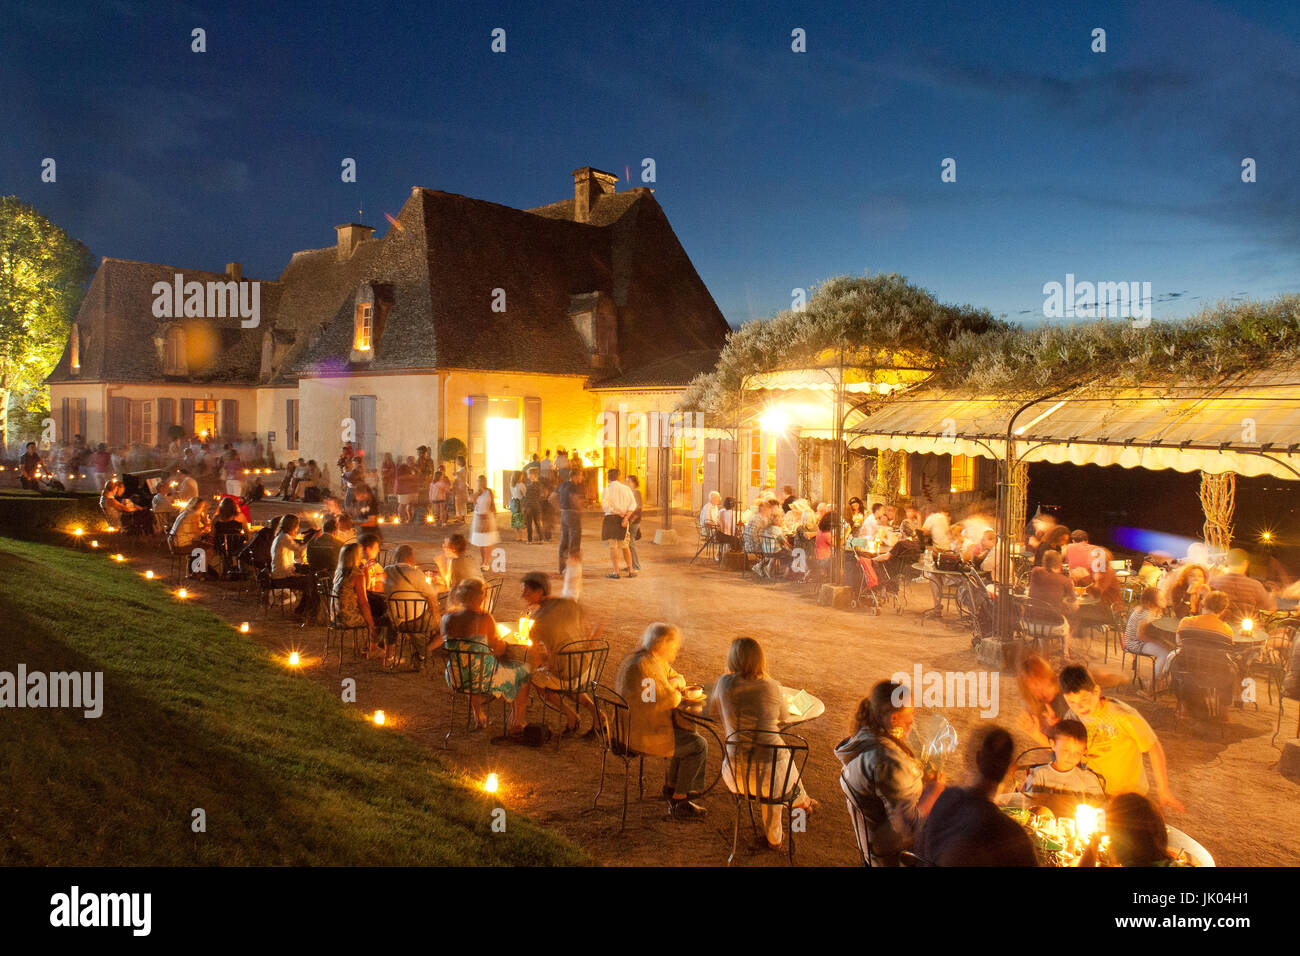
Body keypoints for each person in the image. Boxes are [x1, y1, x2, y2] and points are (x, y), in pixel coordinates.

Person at [709, 637, 816, 849]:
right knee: (780, 757)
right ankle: (778, 833)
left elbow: (712, 712)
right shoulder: (771, 686)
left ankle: (802, 801)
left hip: (735, 774)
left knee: (779, 759)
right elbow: (784, 716)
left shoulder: (723, 683)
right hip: (771, 780)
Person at [835, 681, 944, 866]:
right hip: (895, 855)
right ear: (894, 718)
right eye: (910, 712)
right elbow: (908, 826)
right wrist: (934, 790)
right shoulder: (887, 762)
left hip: (873, 844)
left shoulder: (865, 738)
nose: (913, 717)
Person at [615, 622, 708, 819]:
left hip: (629, 726)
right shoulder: (646, 668)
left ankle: (672, 787)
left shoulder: (646, 658)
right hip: (640, 735)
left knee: (689, 733)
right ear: (661, 645)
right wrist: (673, 687)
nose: (676, 652)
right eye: (674, 647)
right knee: (698, 744)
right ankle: (680, 800)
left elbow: (677, 677)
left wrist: (671, 683)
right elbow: (670, 699)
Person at [1059, 665, 1184, 812]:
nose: (1079, 707)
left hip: (1130, 796)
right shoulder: (1072, 718)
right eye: (1072, 702)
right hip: (1094, 795)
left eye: (1084, 699)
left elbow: (1153, 747)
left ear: (1097, 691)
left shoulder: (1122, 715)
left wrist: (1163, 789)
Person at [916, 726, 1037, 867]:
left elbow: (921, 847)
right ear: (1011, 769)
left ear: (978, 758)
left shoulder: (945, 798)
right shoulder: (1012, 835)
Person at [438, 578, 530, 731]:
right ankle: (518, 721)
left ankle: (478, 714)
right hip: (480, 677)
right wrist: (505, 645)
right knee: (523, 673)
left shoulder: (447, 618)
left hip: (456, 675)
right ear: (480, 597)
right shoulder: (484, 618)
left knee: (470, 663)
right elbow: (498, 649)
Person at [522, 572, 601, 733]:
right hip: (587, 667)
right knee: (569, 680)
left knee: (537, 680)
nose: (523, 595)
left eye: (527, 591)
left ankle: (571, 715)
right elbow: (593, 629)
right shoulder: (569, 603)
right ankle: (598, 714)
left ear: (539, 592)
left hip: (567, 673)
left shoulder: (538, 620)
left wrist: (542, 663)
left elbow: (537, 658)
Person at [1021, 719, 1106, 806]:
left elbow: (1101, 809)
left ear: (1084, 751)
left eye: (1077, 752)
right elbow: (1027, 805)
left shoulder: (1089, 779)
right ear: (1053, 745)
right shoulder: (1039, 774)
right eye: (1066, 750)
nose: (1071, 757)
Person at [383, 544, 441, 671]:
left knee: (393, 615)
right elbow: (431, 595)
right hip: (416, 621)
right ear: (410, 557)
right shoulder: (415, 572)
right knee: (445, 627)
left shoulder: (386, 570)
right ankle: (423, 653)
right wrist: (437, 617)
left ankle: (388, 657)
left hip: (395, 620)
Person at [1027, 550, 1077, 655]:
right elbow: (1074, 605)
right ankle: (1065, 652)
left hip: (1030, 623)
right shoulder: (1065, 581)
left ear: (1044, 561)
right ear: (1060, 564)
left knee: (1043, 615)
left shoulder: (1035, 572)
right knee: (1068, 621)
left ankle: (1044, 653)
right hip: (1052, 626)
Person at [332, 541, 379, 655]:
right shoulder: (356, 575)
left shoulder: (339, 573)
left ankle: (369, 647)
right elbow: (363, 602)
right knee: (379, 615)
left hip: (336, 616)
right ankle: (373, 648)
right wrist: (372, 625)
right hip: (348, 618)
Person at [271, 514, 317, 618]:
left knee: (309, 580)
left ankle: (302, 609)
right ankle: (306, 610)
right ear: (293, 526)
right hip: (281, 577)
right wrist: (313, 539)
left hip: (280, 574)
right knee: (310, 582)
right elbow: (299, 549)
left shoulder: (280, 536)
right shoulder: (284, 538)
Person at [1209, 548, 1276, 619]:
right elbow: (1271, 608)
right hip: (1244, 628)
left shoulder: (1215, 582)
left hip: (1219, 627)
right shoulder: (1255, 585)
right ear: (1245, 563)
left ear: (1227, 562)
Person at [1126, 587, 1175, 680]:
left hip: (1142, 641)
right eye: (1161, 599)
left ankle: (1160, 679)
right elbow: (1140, 635)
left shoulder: (1155, 611)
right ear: (1151, 602)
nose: (1164, 600)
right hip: (1135, 643)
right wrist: (1160, 642)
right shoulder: (1146, 613)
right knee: (1165, 654)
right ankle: (1152, 683)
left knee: (1170, 650)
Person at [600, 468, 637, 579]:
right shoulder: (626, 489)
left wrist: (617, 512)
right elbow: (633, 505)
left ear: (608, 477)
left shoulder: (606, 489)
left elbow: (605, 506)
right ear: (619, 477)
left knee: (613, 547)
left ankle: (616, 572)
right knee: (625, 546)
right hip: (623, 520)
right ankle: (630, 570)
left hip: (610, 519)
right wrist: (625, 518)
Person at [557, 467, 584, 574]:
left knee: (564, 541)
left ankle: (562, 567)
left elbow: (552, 497)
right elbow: (573, 498)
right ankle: (572, 568)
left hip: (564, 514)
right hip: (573, 514)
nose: (582, 478)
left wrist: (560, 508)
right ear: (575, 476)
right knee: (574, 542)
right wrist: (579, 508)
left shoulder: (563, 485)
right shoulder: (574, 486)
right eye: (580, 475)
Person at [470, 475, 499, 570]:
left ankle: (487, 562)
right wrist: (475, 495)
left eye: (480, 481)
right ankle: (483, 561)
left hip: (487, 517)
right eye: (478, 481)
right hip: (478, 517)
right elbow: (474, 503)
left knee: (487, 541)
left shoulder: (489, 491)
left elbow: (492, 504)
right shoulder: (476, 493)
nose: (479, 483)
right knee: (481, 541)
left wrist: (494, 512)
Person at [626, 474, 644, 572]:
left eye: (629, 481)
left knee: (631, 543)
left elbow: (638, 507)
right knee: (628, 543)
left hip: (634, 521)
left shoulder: (636, 492)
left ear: (634, 483)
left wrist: (632, 519)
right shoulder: (631, 492)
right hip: (630, 520)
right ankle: (631, 564)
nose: (627, 483)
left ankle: (636, 565)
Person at [394, 456, 418, 522]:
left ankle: (410, 519)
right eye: (410, 461)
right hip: (403, 490)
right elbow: (398, 477)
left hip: (412, 490)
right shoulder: (402, 467)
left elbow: (417, 477)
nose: (412, 462)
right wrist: (409, 477)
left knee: (411, 505)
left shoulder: (414, 468)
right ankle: (402, 518)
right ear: (407, 461)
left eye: (413, 461)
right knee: (402, 505)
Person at [523, 470, 544, 544]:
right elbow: (541, 495)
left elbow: (527, 496)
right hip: (536, 505)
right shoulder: (539, 484)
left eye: (529, 474)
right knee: (537, 523)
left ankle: (530, 540)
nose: (528, 476)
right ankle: (540, 539)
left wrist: (525, 506)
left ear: (533, 475)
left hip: (530, 505)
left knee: (529, 523)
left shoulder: (530, 485)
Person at [509, 471, 527, 542]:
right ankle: (525, 537)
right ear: (519, 476)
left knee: (516, 520)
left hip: (513, 502)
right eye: (521, 476)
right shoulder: (521, 484)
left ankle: (518, 537)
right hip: (520, 503)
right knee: (524, 520)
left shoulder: (511, 484)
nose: (522, 477)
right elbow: (525, 494)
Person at [451, 457, 469, 522]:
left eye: (457, 461)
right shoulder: (461, 469)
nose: (456, 462)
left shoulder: (463, 469)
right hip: (460, 487)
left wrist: (455, 473)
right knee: (460, 503)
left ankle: (461, 517)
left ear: (461, 461)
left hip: (460, 488)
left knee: (460, 503)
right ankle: (461, 517)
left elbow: (459, 475)